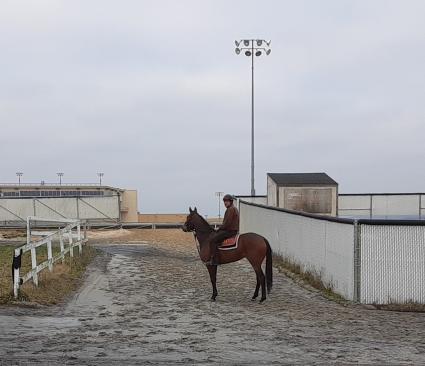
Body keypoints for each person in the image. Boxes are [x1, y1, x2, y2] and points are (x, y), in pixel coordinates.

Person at [209, 194, 239, 265]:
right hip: (232, 230)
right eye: (224, 201)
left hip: (230, 231)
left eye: (227, 201)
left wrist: (218, 229)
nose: (225, 203)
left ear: (231, 202)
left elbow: (226, 224)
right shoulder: (234, 208)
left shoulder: (230, 209)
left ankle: (215, 260)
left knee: (213, 240)